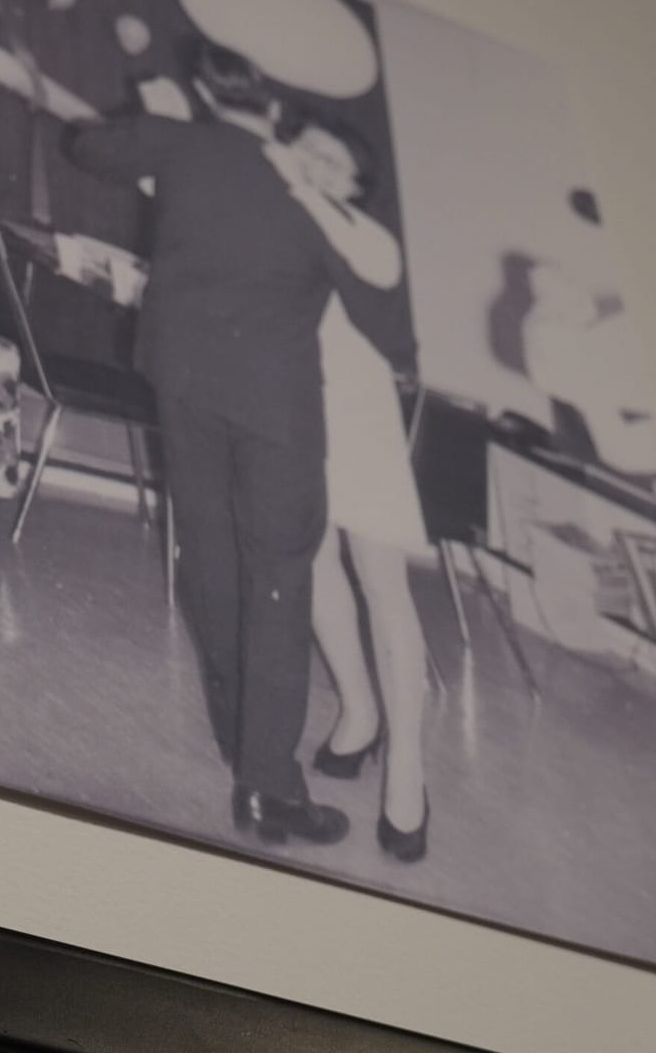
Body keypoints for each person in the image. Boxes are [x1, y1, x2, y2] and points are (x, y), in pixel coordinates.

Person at [59, 42, 360, 846]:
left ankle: (240, 740)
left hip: (183, 381)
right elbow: (378, 310)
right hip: (278, 409)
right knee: (278, 581)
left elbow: (86, 146)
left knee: (215, 563)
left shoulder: (186, 139)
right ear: (278, 110)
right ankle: (267, 785)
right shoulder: (309, 184)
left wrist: (158, 118)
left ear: (204, 92)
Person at [266, 119, 435, 861]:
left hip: (359, 409)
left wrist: (295, 180)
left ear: (357, 185)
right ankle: (360, 712)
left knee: (380, 580)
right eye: (305, 148)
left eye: (333, 158)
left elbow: (371, 267)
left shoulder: (367, 233)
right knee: (310, 563)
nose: (313, 162)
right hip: (288, 402)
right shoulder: (273, 210)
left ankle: (408, 769)